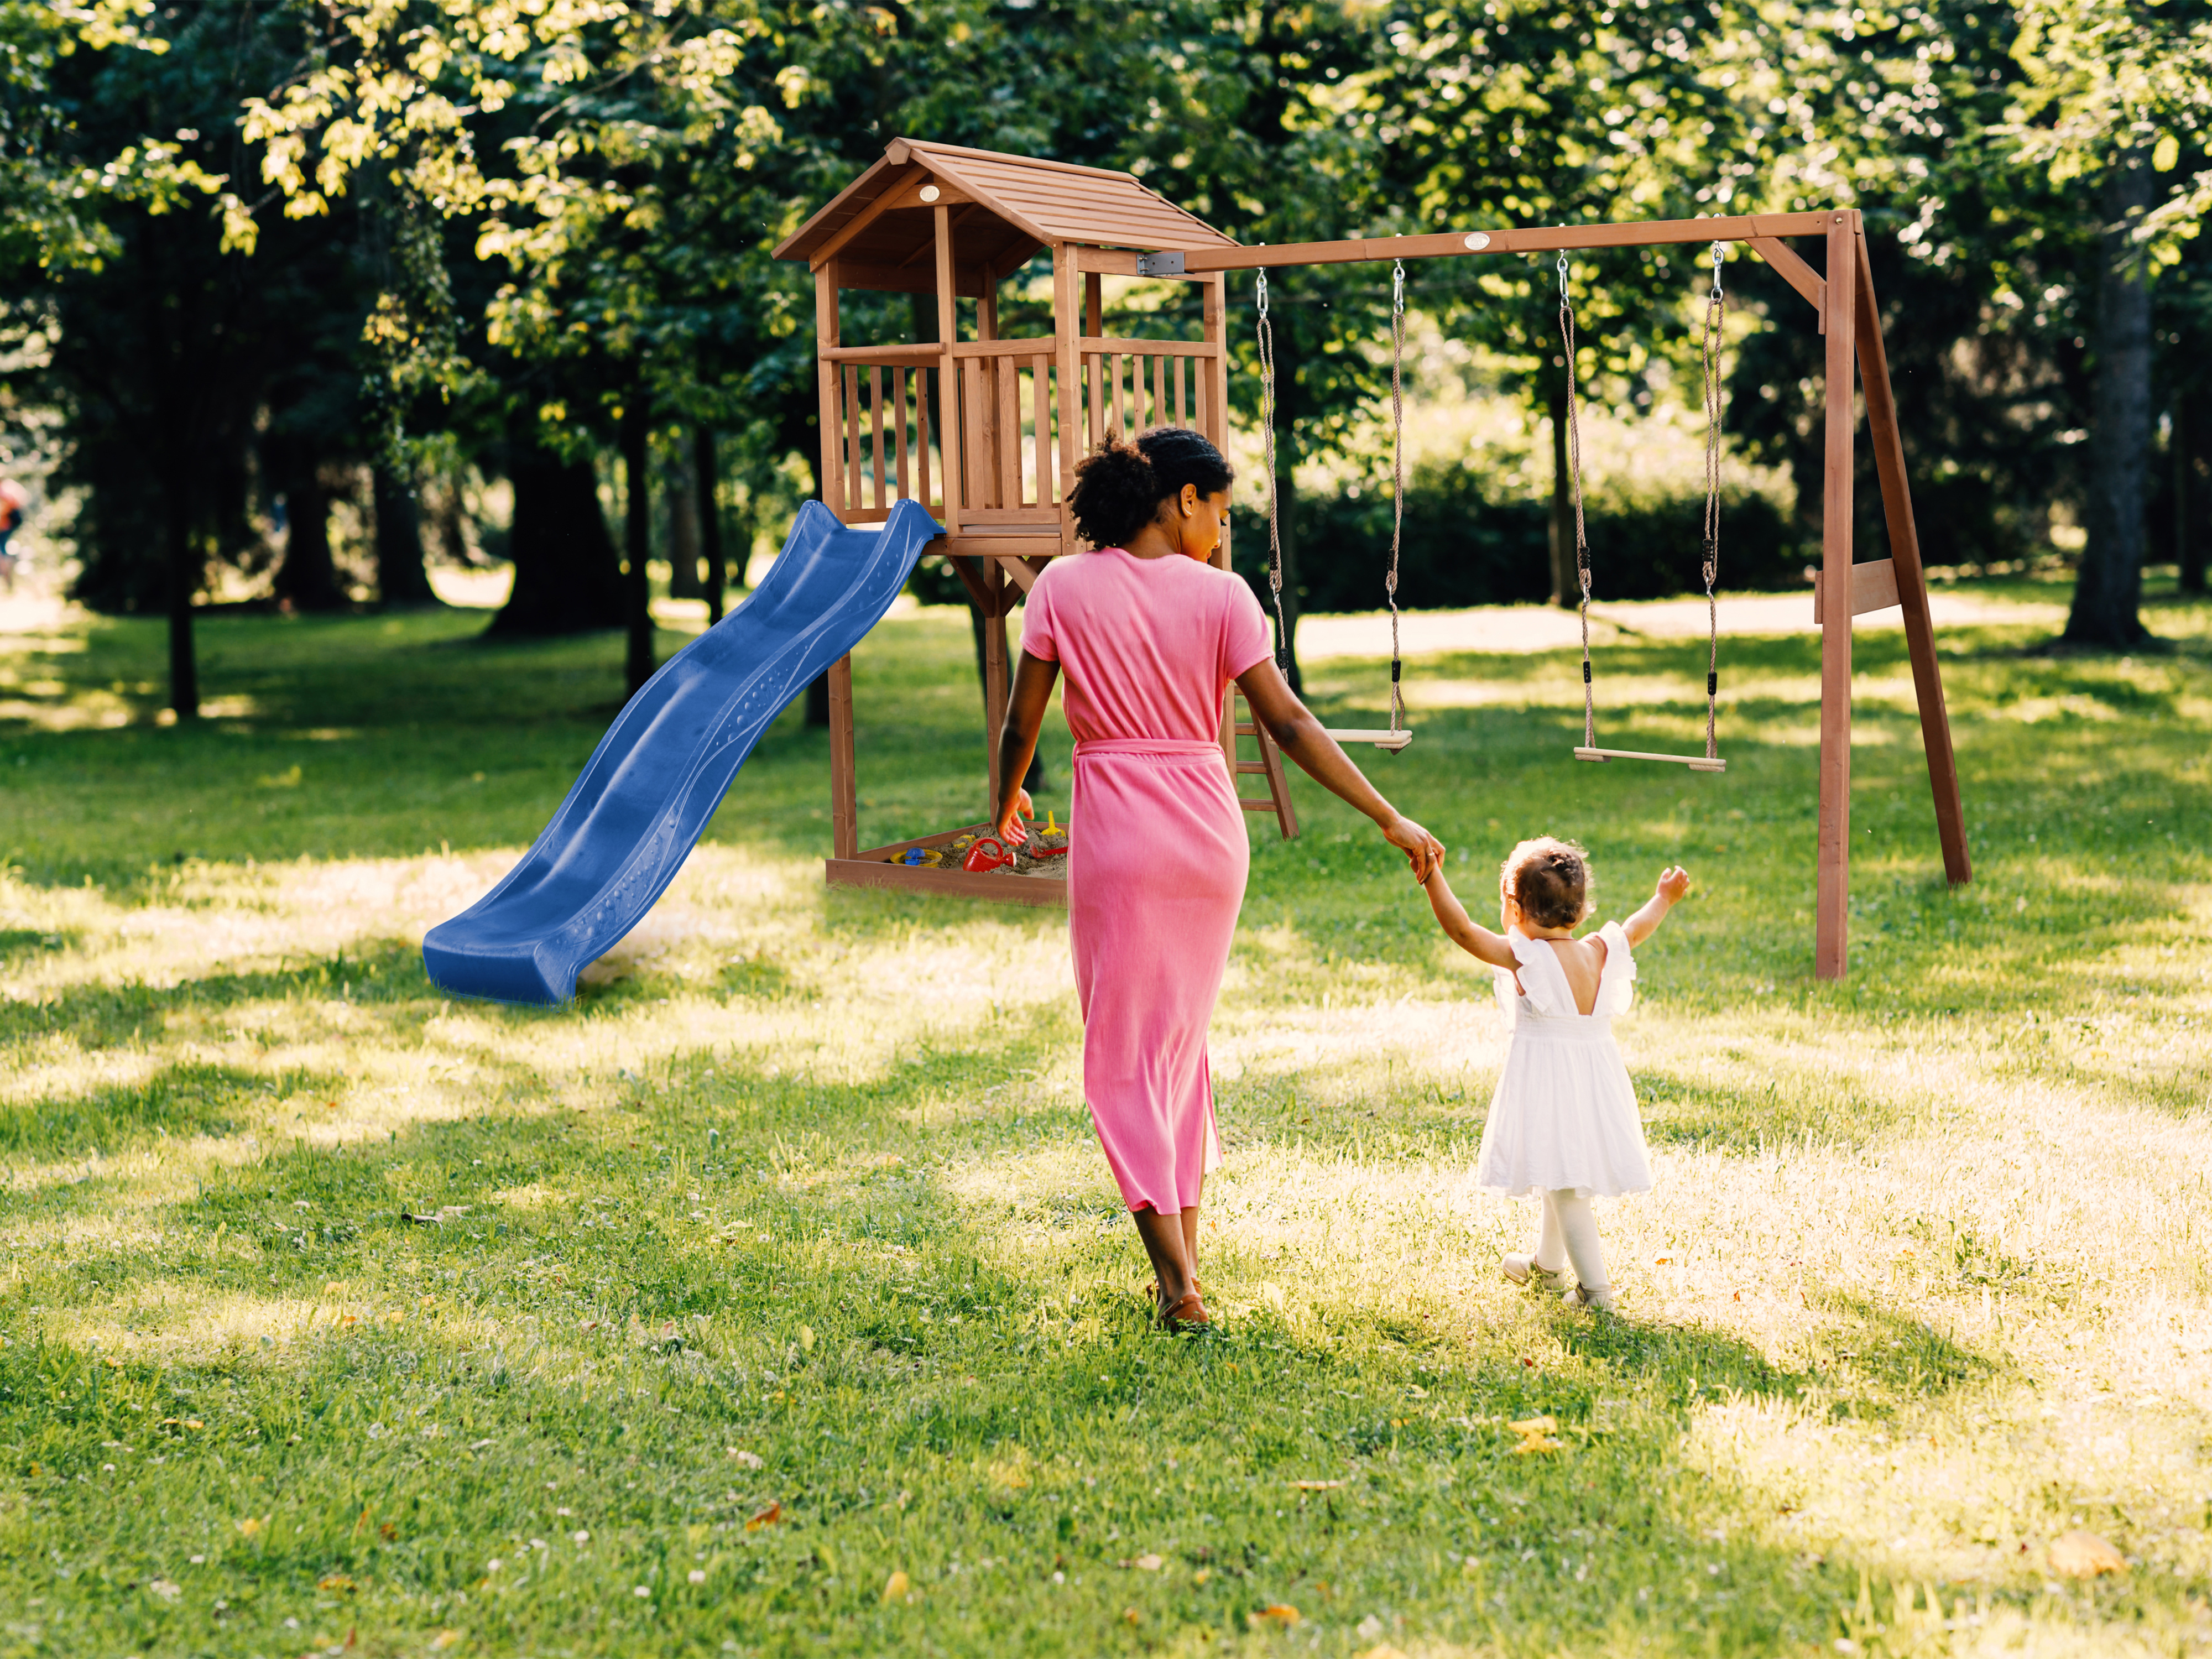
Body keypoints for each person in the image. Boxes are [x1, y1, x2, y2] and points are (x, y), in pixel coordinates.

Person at [993, 427, 1443, 1332]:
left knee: (1123, 1058)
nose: (1224, 533)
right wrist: (1386, 814)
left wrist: (1002, 807)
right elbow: (1289, 724)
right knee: (1175, 1052)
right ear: (1184, 499)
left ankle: (1177, 1285)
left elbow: (1020, 725)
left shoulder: (1061, 588)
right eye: (1223, 512)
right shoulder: (1225, 598)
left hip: (1120, 836)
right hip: (1207, 837)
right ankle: (1186, 1267)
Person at [1418, 837, 1691, 1311]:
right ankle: (1547, 1266)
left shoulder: (1527, 958)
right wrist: (1663, 898)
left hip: (1551, 1085)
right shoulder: (1599, 950)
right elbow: (1636, 927)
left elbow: (1462, 931)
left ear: (1515, 909)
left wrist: (1431, 875)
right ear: (1581, 911)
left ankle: (1596, 1292)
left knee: (1566, 1188)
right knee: (1556, 1170)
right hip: (1594, 1082)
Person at [0, 478, 27, 595]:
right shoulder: (8, 486)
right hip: (10, 523)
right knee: (3, 549)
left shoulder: (4, 491)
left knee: (2, 550)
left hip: (7, 524)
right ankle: (7, 577)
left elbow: (5, 509)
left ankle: (6, 575)